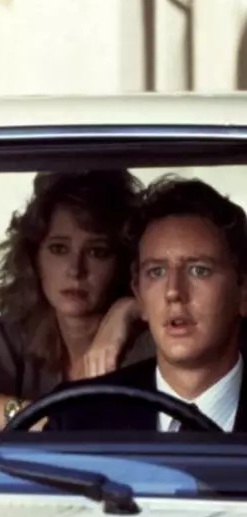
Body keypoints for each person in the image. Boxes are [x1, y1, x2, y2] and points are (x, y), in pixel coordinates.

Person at [0, 170, 155, 431]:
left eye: (97, 251)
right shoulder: (22, 334)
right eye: (59, 249)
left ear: (124, 262)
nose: (75, 269)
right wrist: (35, 418)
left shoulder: (153, 343)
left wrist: (129, 309)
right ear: (34, 258)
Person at [46, 176, 247, 432]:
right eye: (157, 272)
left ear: (243, 292)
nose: (173, 292)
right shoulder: (76, 416)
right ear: (139, 295)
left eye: (199, 270)